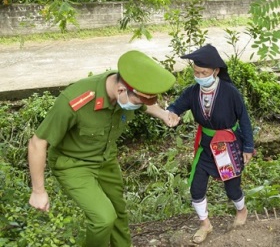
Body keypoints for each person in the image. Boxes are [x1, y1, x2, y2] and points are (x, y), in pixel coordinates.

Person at [28, 50, 176, 247]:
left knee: (118, 214)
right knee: (103, 218)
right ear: (121, 90)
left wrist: (163, 114)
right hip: (73, 164)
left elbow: (144, 104)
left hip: (105, 159)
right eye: (139, 100)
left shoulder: (128, 86)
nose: (141, 105)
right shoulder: (75, 101)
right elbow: (37, 143)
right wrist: (38, 191)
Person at [164, 44, 254, 244]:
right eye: (196, 72)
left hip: (227, 146)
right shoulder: (192, 92)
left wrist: (248, 146)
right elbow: (176, 106)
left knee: (232, 189)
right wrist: (170, 113)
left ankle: (242, 210)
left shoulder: (230, 92)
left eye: (203, 72)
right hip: (205, 146)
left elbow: (245, 119)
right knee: (196, 188)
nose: (199, 75)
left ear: (216, 71)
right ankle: (205, 224)